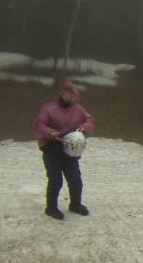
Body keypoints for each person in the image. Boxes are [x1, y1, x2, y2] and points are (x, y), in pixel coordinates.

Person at [31, 80, 95, 220]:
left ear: (75, 95)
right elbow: (38, 125)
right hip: (52, 150)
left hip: (71, 151)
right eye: (65, 93)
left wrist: (83, 129)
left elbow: (89, 120)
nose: (68, 96)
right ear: (61, 93)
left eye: (71, 94)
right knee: (55, 181)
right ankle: (51, 208)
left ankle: (75, 205)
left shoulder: (79, 109)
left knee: (75, 180)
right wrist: (49, 132)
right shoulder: (49, 109)